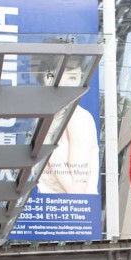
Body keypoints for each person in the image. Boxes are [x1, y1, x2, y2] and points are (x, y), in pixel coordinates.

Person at [36, 60, 99, 195]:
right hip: (53, 210)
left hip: (72, 211)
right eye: (71, 77)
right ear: (48, 78)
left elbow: (77, 190)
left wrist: (45, 145)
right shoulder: (47, 120)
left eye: (77, 79)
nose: (76, 85)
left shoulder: (77, 118)